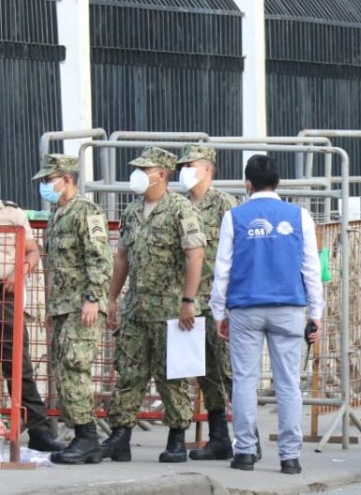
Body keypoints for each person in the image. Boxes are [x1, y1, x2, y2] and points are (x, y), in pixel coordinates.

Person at [210, 155, 323, 474]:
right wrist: (316, 312)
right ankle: (290, 457)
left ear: (247, 184)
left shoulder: (234, 217)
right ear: (279, 183)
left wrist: (219, 311)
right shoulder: (300, 216)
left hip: (245, 307)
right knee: (288, 383)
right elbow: (311, 268)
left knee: (244, 381)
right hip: (288, 307)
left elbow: (223, 268)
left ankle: (245, 452)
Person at [101, 147, 206, 463]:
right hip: (136, 308)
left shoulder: (180, 209)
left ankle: (177, 437)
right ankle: (120, 435)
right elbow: (122, 258)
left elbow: (195, 256)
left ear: (161, 174)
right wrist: (112, 298)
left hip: (170, 309)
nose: (137, 175)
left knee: (171, 375)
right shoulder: (133, 211)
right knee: (128, 372)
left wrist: (188, 301)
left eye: (144, 170)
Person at [31, 155, 112, 464]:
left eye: (49, 179)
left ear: (67, 179)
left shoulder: (86, 211)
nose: (45, 185)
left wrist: (92, 298)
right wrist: (52, 309)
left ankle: (87, 438)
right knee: (64, 371)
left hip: (82, 305)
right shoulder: (58, 215)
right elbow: (57, 266)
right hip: (63, 306)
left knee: (75, 368)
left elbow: (99, 258)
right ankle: (82, 436)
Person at [176, 144, 239, 462]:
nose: (184, 171)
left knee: (230, 370)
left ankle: (248, 437)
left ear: (208, 169)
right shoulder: (179, 206)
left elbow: (239, 255)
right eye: (182, 166)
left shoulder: (226, 205)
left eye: (191, 165)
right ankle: (219, 438)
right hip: (189, 303)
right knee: (205, 372)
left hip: (220, 301)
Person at [1, 194, 67, 454]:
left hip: (5, 293)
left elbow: (32, 250)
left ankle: (39, 431)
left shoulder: (12, 213)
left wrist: (20, 270)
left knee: (18, 366)